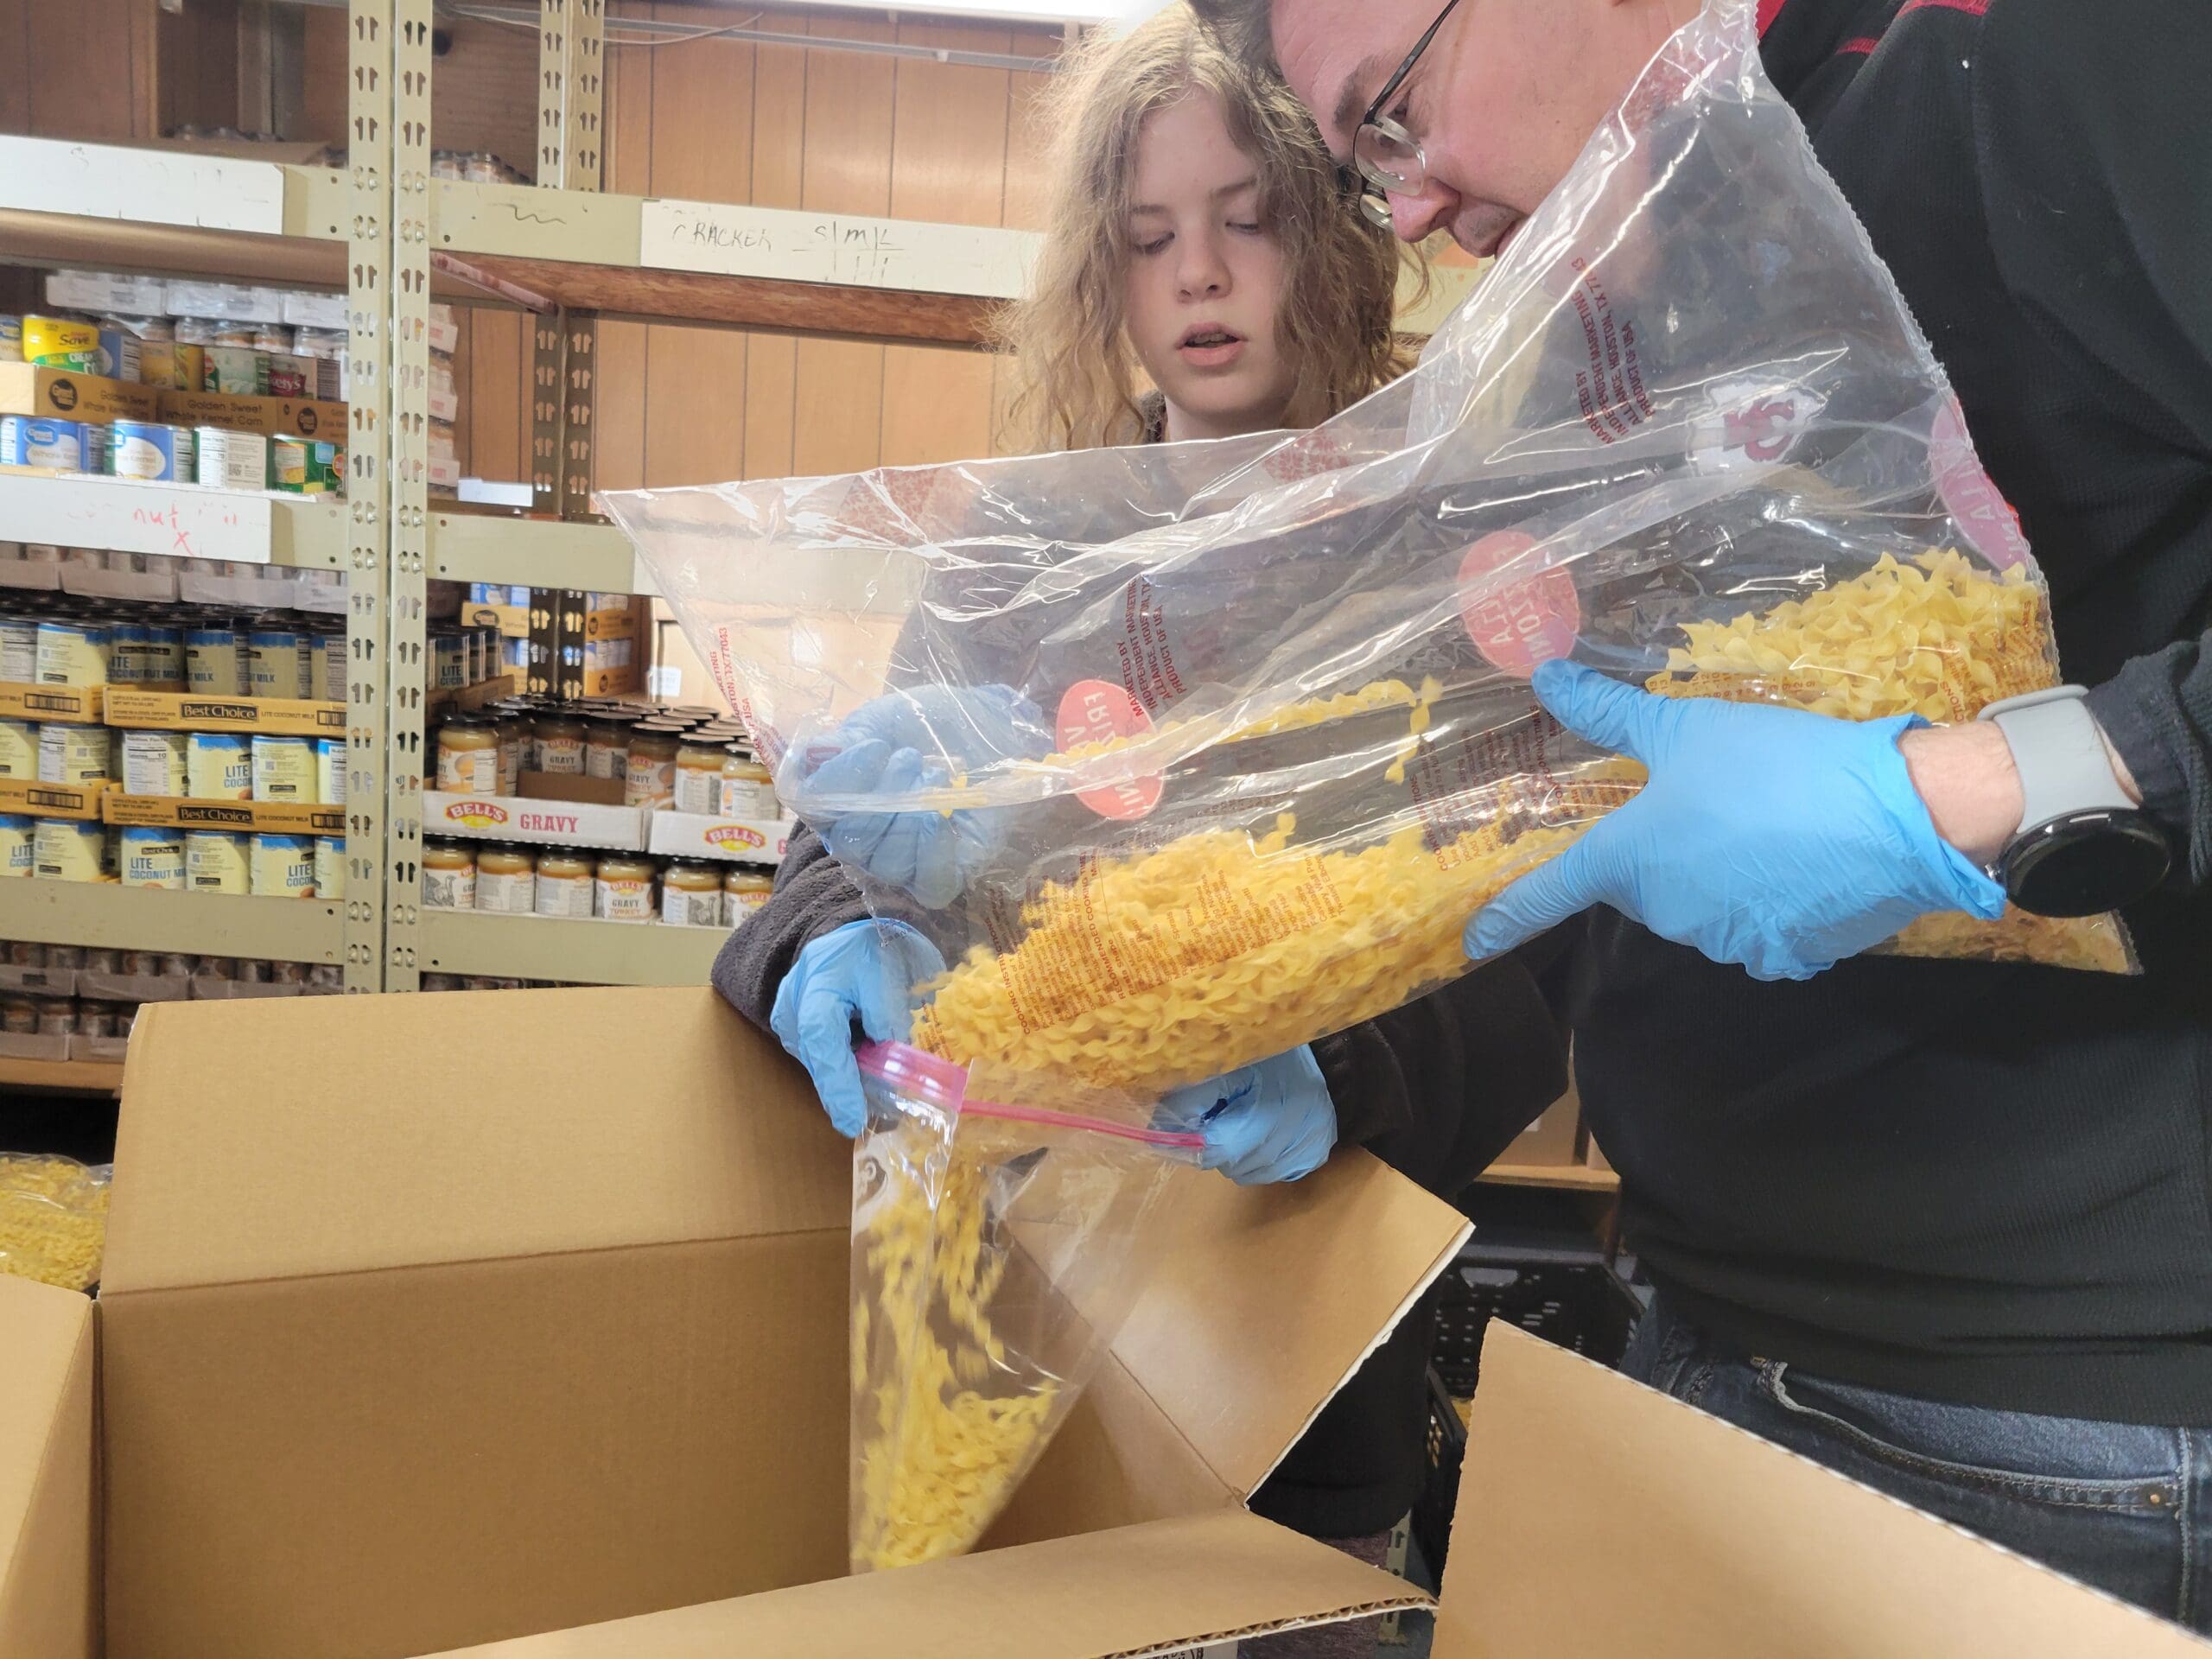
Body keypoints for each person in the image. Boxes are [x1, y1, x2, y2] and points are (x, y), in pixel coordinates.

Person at [1192, 0, 2212, 1630]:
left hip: (2059, 1422)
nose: (1412, 205)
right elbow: (1600, 843)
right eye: (1364, 168)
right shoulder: (1601, 305)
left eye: (1395, 113)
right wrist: (1345, 1061)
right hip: (1700, 1335)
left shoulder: (2041, 57)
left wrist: (1980, 789)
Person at [709, 9, 1565, 1648]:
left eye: (1250, 218)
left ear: (1342, 227)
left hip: (1311, 1361)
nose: (1201, 275)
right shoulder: (1024, 552)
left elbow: (1539, 945)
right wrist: (836, 933)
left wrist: (1348, 1073)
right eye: (1148, 235)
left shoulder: (1439, 552)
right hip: (1031, 1342)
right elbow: (849, 836)